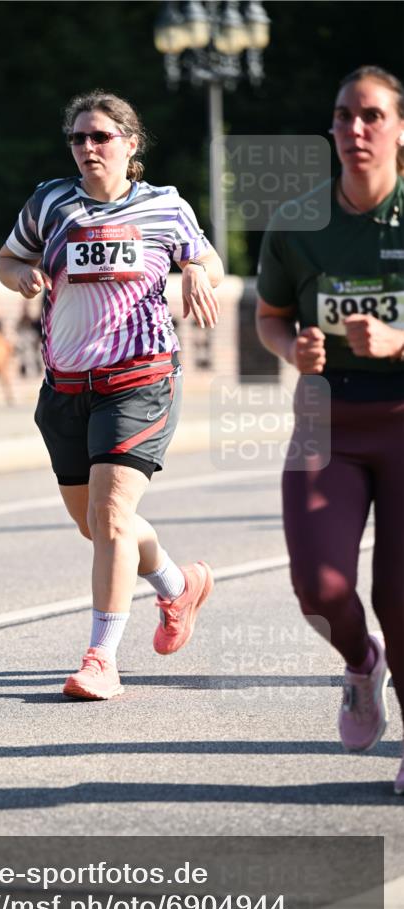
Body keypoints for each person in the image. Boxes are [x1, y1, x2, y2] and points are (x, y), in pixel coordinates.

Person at [0, 90, 223, 700]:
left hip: (139, 379)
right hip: (67, 386)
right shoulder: (50, 203)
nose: (88, 147)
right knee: (95, 525)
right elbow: (7, 258)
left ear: (131, 143)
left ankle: (102, 658)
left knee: (113, 515)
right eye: (78, 137)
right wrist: (21, 275)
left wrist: (195, 268)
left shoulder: (165, 206)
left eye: (100, 136)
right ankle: (178, 586)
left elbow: (208, 261)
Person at [256, 66, 404, 794]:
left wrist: (399, 341)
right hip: (326, 417)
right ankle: (359, 663)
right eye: (344, 116)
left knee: (401, 597)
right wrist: (295, 350)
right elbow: (269, 317)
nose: (355, 129)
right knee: (318, 587)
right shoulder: (297, 222)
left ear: (399, 130)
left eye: (372, 115)